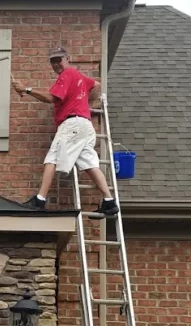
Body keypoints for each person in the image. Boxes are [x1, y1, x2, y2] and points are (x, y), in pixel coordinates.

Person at [11, 46, 119, 216]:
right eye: (53, 62)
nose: (56, 64)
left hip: (72, 125)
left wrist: (26, 89)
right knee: (89, 163)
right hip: (85, 127)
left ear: (67, 58)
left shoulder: (67, 74)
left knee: (52, 158)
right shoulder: (79, 77)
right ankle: (109, 201)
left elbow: (51, 98)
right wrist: (86, 104)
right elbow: (96, 86)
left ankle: (40, 200)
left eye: (59, 60)